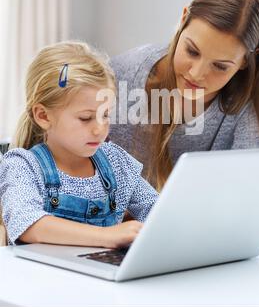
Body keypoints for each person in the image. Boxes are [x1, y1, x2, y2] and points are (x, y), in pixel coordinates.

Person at [109, 0, 259, 191]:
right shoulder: (123, 75)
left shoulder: (251, 102)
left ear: (247, 60)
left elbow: (254, 195)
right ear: (183, 19)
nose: (196, 74)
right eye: (192, 51)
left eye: (220, 66)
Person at [0, 42, 158, 246]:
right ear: (43, 116)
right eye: (85, 118)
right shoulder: (23, 166)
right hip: (42, 277)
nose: (99, 129)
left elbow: (157, 211)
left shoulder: (116, 162)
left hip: (100, 275)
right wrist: (108, 236)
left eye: (105, 115)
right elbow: (29, 226)